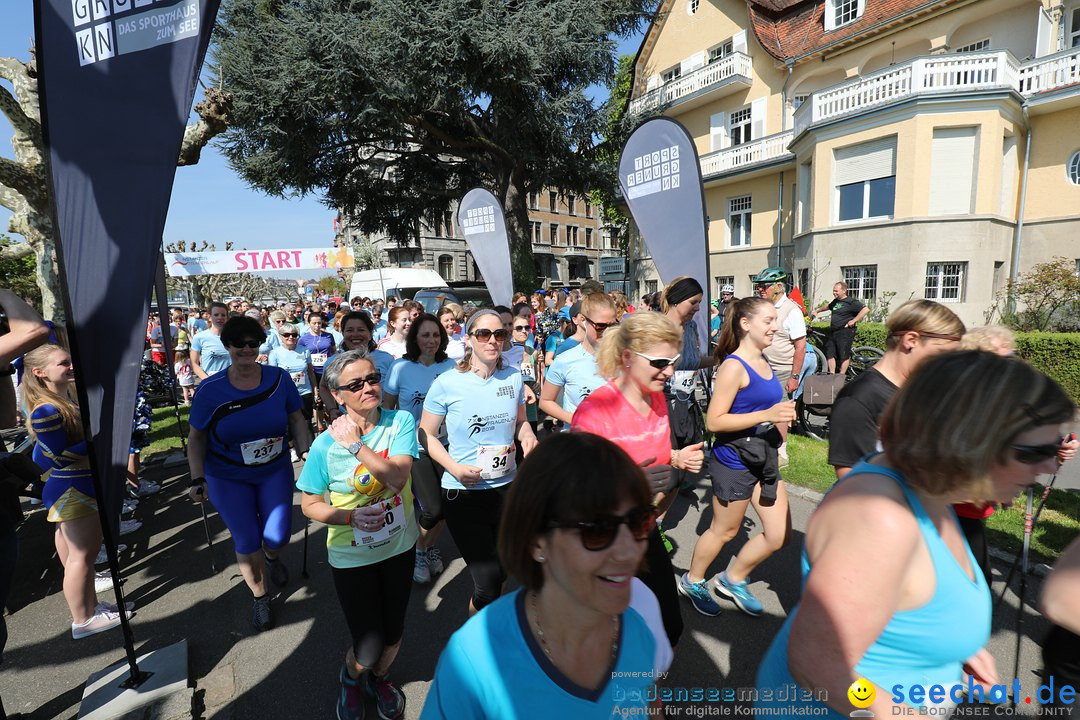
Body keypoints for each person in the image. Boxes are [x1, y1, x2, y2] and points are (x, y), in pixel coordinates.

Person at [756, 351, 1074, 716]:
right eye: (1038, 451)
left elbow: (906, 602)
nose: (1052, 466)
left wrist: (949, 645)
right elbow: (821, 668)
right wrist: (902, 714)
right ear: (971, 439)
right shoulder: (882, 518)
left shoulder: (930, 490)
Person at [421, 433, 663, 719]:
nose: (628, 551)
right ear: (538, 542)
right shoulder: (475, 658)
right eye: (597, 530)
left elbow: (650, 711)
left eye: (638, 522)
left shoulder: (636, 630)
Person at [572, 311, 705, 649]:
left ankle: (646, 692)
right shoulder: (594, 412)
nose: (670, 371)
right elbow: (574, 492)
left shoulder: (657, 396)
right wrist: (634, 484)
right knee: (608, 634)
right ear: (628, 358)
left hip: (642, 527)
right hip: (601, 538)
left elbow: (646, 452)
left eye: (673, 361)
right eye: (661, 362)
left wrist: (676, 458)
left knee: (669, 627)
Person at [297, 351, 417, 720]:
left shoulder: (400, 422)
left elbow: (397, 479)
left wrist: (356, 446)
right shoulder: (323, 446)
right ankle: (352, 678)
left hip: (399, 547)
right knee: (367, 646)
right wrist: (350, 517)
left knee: (393, 633)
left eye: (373, 378)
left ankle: (378, 680)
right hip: (352, 557)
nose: (369, 387)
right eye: (356, 384)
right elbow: (310, 504)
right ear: (337, 395)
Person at [187, 316, 312, 632]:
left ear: (260, 345)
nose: (246, 349)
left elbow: (296, 419)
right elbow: (196, 438)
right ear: (227, 346)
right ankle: (260, 596)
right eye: (238, 343)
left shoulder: (278, 379)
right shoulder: (210, 390)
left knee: (278, 535)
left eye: (252, 343)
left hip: (274, 471)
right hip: (226, 476)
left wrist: (307, 452)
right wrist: (197, 478)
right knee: (246, 538)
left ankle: (272, 559)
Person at [678, 297, 795, 617]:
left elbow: (760, 408)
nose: (777, 326)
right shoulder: (733, 366)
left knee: (778, 535)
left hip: (763, 457)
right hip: (734, 461)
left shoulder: (763, 359)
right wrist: (768, 413)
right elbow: (714, 422)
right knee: (724, 531)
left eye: (776, 320)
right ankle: (693, 580)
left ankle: (733, 579)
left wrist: (778, 417)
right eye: (769, 321)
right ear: (745, 324)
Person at [419, 309, 538, 615]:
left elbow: (521, 422)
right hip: (463, 492)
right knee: (486, 582)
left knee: (502, 571)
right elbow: (426, 435)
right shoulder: (447, 383)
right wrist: (454, 468)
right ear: (468, 338)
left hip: (506, 488)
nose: (493, 341)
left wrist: (527, 436)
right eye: (483, 334)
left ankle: (490, 629)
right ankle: (476, 645)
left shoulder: (513, 377)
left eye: (500, 334)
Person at [23, 344, 124, 638]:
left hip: (75, 487)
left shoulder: (62, 403)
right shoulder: (47, 410)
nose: (70, 366)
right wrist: (99, 441)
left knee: (82, 558)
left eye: (69, 361)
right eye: (62, 363)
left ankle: (91, 608)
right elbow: (54, 457)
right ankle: (83, 620)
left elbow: (44, 456)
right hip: (72, 488)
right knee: (82, 557)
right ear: (39, 373)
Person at [828, 300, 965, 480]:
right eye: (944, 355)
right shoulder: (858, 398)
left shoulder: (919, 391)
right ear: (911, 340)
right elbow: (854, 482)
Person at [383, 314, 455, 584]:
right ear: (414, 338)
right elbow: (388, 410)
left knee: (450, 506)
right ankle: (420, 550)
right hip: (414, 447)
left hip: (448, 445)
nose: (431, 341)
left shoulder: (451, 366)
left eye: (436, 335)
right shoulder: (401, 367)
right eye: (425, 335)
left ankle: (427, 546)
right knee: (432, 509)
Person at [661, 276, 714, 495]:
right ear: (676, 300)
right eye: (693, 302)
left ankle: (663, 508)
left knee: (689, 454)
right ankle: (653, 520)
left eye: (699, 303)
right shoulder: (657, 327)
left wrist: (722, 357)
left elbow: (693, 361)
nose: (698, 308)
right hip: (663, 403)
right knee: (667, 468)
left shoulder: (690, 327)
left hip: (687, 400)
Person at [752, 268, 806, 466]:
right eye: (759, 285)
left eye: (764, 285)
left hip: (782, 369)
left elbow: (800, 346)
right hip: (761, 366)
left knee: (781, 409)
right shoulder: (764, 307)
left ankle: (781, 451)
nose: (760, 289)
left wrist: (794, 376)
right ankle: (763, 443)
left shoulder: (792, 311)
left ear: (778, 286)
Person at [538, 293, 613, 426]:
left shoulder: (626, 360)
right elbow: (545, 401)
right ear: (583, 320)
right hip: (580, 441)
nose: (607, 332)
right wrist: (575, 419)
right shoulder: (565, 360)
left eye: (612, 326)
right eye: (601, 326)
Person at [810, 281, 869, 375]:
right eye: (833, 291)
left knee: (844, 355)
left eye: (836, 291)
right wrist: (817, 311)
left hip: (845, 332)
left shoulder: (851, 302)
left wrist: (854, 320)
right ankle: (832, 374)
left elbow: (865, 309)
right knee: (830, 353)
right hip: (833, 331)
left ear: (844, 291)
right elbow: (828, 306)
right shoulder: (836, 301)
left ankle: (841, 375)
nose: (834, 293)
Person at [267, 323, 318, 430]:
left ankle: (309, 446)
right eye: (286, 335)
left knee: (306, 423)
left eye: (294, 335)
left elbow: (310, 372)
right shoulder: (275, 353)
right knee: (289, 425)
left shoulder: (305, 350)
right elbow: (273, 377)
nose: (290, 337)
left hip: (304, 392)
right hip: (285, 394)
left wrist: (315, 391)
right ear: (280, 336)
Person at [191, 301, 232, 380]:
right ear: (209, 317)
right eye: (216, 315)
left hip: (231, 382)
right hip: (210, 382)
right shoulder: (199, 337)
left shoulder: (234, 337)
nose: (220, 318)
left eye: (223, 315)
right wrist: (207, 380)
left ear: (227, 318)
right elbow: (194, 364)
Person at [298, 310, 336, 381]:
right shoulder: (303, 338)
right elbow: (299, 355)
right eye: (314, 323)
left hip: (327, 370)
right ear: (309, 323)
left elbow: (334, 351)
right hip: (311, 372)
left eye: (319, 323)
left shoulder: (329, 336)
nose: (317, 325)